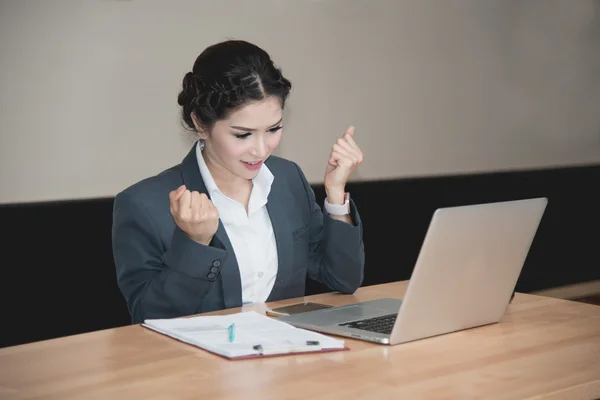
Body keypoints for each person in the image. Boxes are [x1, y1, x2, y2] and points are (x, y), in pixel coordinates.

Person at [112, 40, 365, 324]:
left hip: (287, 359)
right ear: (200, 124)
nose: (261, 149)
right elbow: (148, 319)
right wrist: (195, 243)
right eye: (243, 134)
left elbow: (342, 280)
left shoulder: (287, 179)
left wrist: (335, 195)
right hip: (196, 366)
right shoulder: (144, 205)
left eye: (273, 129)